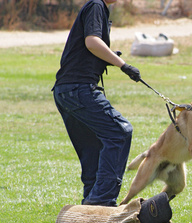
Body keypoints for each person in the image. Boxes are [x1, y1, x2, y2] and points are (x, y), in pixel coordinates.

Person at [53, 0, 142, 207]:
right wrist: (123, 65)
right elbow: (92, 42)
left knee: (93, 147)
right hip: (79, 89)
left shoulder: (96, 7)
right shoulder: (96, 5)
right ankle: (101, 201)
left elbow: (89, 48)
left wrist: (109, 58)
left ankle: (89, 207)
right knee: (120, 131)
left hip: (64, 91)